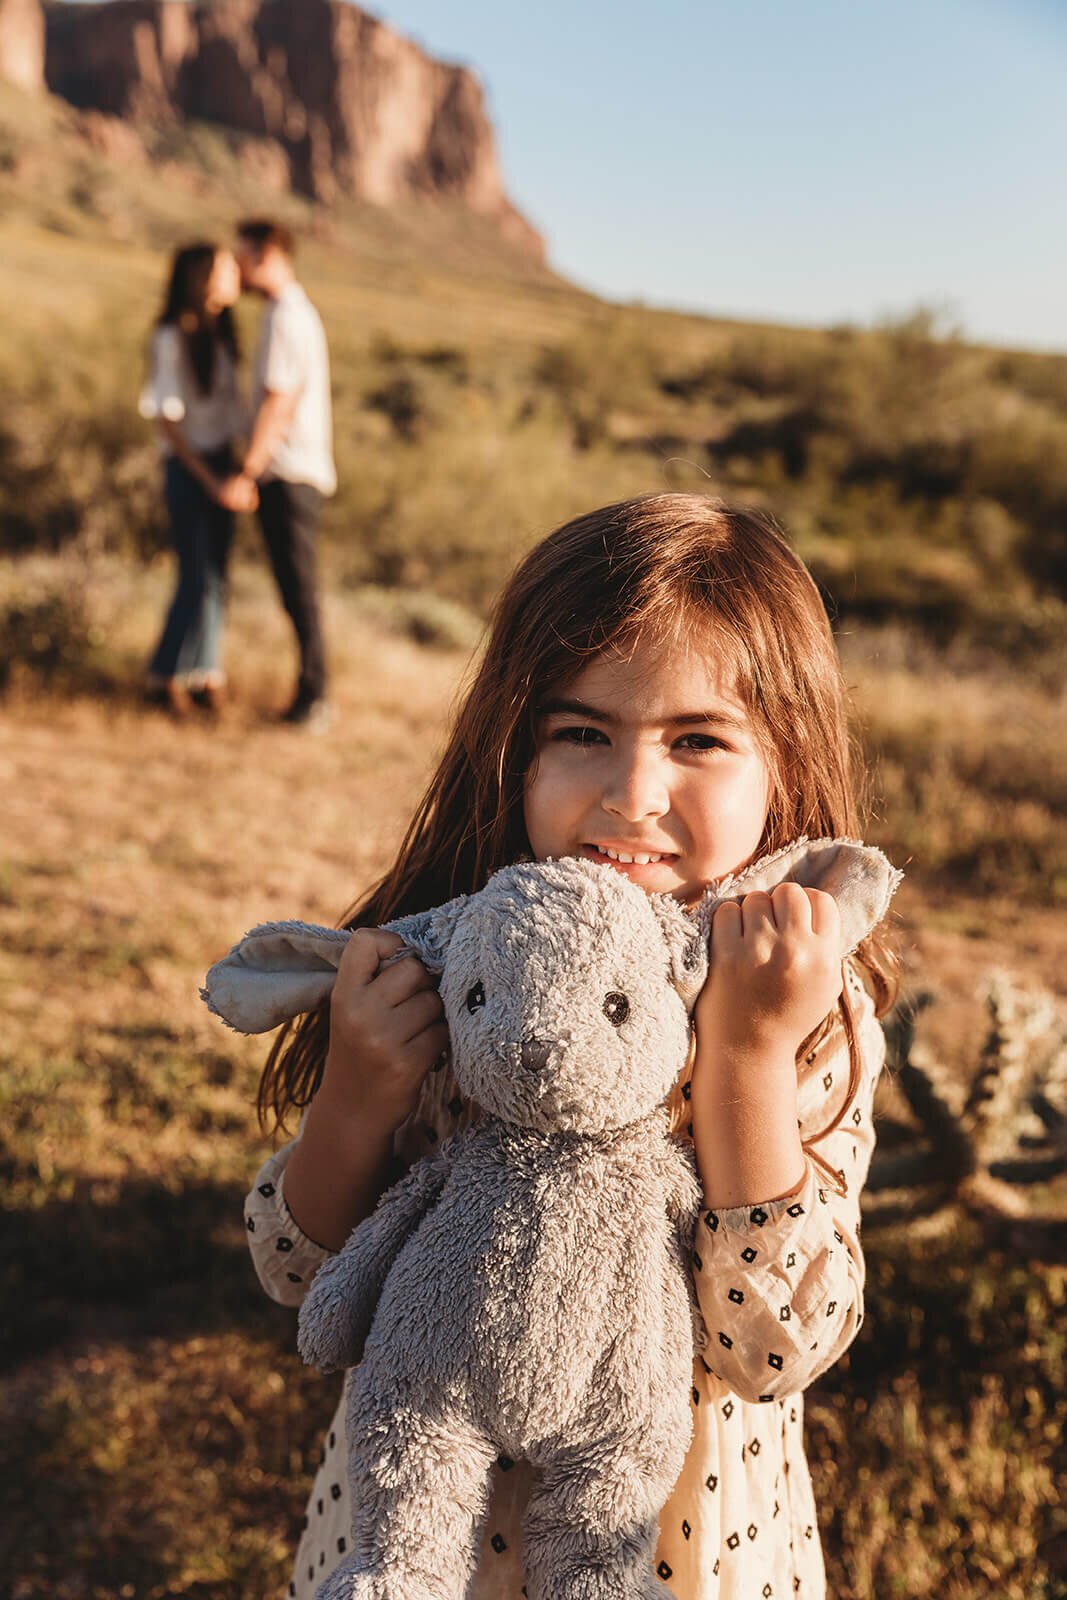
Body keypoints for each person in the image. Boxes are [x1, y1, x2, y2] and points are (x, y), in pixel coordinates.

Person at [243, 494, 896, 1599]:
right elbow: (299, 1277)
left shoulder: (804, 1010)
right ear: (514, 748)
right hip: (413, 1548)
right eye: (581, 732)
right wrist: (354, 1101)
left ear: (784, 760)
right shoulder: (448, 972)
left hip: (679, 1553)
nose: (631, 795)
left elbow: (778, 1346)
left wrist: (741, 1059)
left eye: (696, 740)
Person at [222, 219, 337, 730]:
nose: (237, 267)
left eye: (242, 256)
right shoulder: (290, 312)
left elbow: (278, 400)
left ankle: (316, 698)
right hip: (290, 472)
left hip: (288, 473)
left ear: (266, 254)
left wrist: (247, 469)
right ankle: (311, 694)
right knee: (296, 589)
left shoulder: (286, 315)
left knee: (300, 588)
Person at [140, 241, 250, 717]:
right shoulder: (169, 337)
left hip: (222, 464)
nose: (235, 276)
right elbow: (169, 423)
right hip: (191, 469)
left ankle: (206, 674)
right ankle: (163, 676)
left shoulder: (222, 336)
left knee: (216, 578)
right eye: (226, 269)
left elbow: (231, 413)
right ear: (201, 277)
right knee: (194, 577)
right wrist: (209, 479)